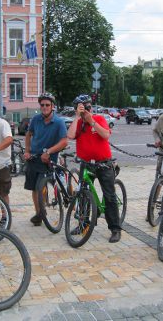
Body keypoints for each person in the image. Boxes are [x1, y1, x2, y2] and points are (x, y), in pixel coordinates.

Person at [67, 94, 121, 243]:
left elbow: (105, 135)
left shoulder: (99, 119)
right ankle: (83, 224)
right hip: (86, 163)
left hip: (103, 163)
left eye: (87, 108)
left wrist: (91, 122)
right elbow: (70, 135)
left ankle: (115, 229)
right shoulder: (78, 123)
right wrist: (77, 117)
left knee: (109, 196)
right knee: (83, 195)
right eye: (83, 108)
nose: (86, 111)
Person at [24, 92, 67, 226]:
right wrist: (27, 151)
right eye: (42, 105)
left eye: (47, 105)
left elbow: (64, 142)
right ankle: (39, 213)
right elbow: (28, 134)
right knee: (33, 188)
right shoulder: (36, 119)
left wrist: (49, 151)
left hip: (48, 160)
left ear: (52, 106)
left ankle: (42, 211)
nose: (44, 107)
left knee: (40, 185)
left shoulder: (59, 122)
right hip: (34, 158)